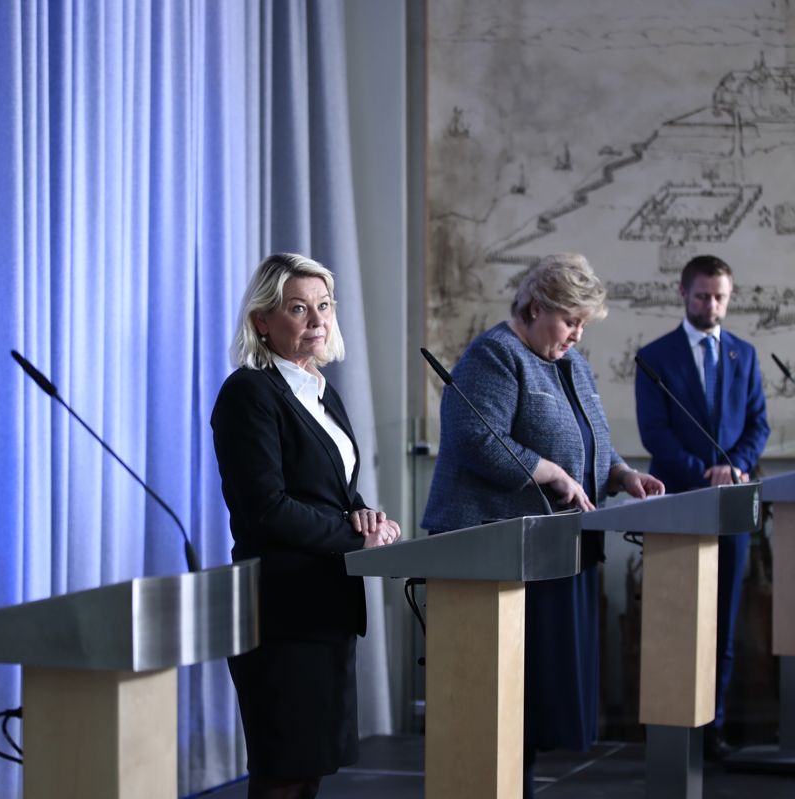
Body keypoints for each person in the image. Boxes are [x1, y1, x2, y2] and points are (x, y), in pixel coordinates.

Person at [421, 253, 663, 797]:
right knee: (506, 692)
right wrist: (548, 471)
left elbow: (589, 437)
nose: (577, 334)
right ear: (535, 307)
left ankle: (518, 784)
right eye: (570, 320)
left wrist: (623, 474)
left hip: (553, 550)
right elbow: (474, 437)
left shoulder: (571, 363)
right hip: (495, 544)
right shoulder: (495, 355)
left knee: (536, 695)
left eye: (582, 323)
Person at [211, 253, 400, 799]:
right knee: (283, 772)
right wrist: (353, 535)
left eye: (323, 306)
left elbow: (333, 490)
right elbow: (265, 508)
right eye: (298, 308)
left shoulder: (320, 391)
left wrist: (365, 513)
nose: (317, 319)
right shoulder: (249, 393)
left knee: (310, 770)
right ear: (261, 322)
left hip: (326, 604)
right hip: (279, 608)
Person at [634, 254, 769, 759]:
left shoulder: (745, 355)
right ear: (682, 293)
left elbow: (758, 424)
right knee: (676, 618)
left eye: (720, 297)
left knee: (723, 621)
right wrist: (700, 471)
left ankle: (714, 727)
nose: (712, 306)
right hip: (677, 504)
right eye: (703, 296)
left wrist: (733, 468)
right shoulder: (655, 356)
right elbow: (656, 435)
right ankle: (671, 727)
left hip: (730, 505)